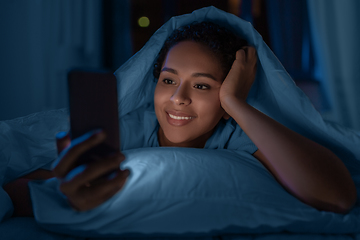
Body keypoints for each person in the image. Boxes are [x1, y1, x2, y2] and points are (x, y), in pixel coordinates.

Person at [4, 21, 357, 216]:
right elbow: (17, 188)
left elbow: (338, 197)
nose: (177, 98)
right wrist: (60, 195)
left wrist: (236, 103)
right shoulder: (130, 128)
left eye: (202, 85)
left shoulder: (236, 135)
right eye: (168, 80)